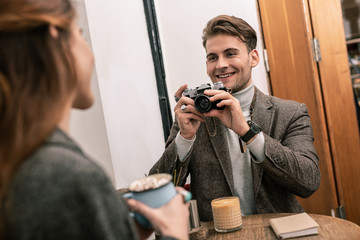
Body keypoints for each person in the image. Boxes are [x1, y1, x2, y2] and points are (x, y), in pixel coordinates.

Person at [0, 0, 189, 239]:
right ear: (55, 41)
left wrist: (119, 231)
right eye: (81, 36)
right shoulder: (66, 177)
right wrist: (175, 233)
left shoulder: (19, 159)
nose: (90, 53)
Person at [150, 15, 321, 222]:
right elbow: (156, 195)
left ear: (254, 58)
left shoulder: (290, 113)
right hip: (219, 234)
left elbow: (309, 181)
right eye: (212, 57)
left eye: (230, 54)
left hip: (279, 231)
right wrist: (184, 140)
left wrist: (248, 132)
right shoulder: (193, 115)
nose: (221, 65)